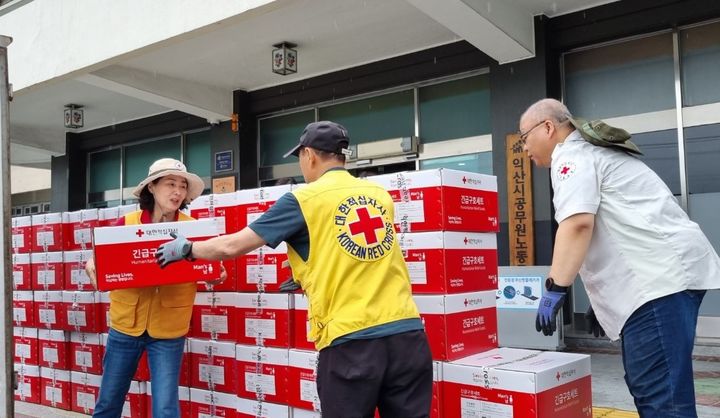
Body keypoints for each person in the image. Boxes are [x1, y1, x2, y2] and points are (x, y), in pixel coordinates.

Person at [156, 121, 433, 418]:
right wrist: (304, 273)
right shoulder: (378, 195)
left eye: (300, 157)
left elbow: (232, 246)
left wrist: (187, 249)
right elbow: (362, 251)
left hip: (352, 343)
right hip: (409, 337)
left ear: (310, 155)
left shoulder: (303, 199)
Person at [519, 98, 720, 417]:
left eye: (523, 136)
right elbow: (610, 227)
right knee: (659, 388)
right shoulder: (596, 153)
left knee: (661, 398)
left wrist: (556, 288)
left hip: (656, 283)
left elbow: (577, 224)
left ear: (547, 128)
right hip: (663, 279)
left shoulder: (571, 156)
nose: (524, 148)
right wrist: (606, 303)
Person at [85, 158, 226, 418]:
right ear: (152, 187)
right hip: (126, 325)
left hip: (169, 330)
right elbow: (99, 256)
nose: (177, 192)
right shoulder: (127, 224)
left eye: (182, 186)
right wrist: (92, 263)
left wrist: (216, 274)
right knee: (108, 402)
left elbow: (214, 268)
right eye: (170, 184)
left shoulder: (194, 228)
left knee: (165, 409)